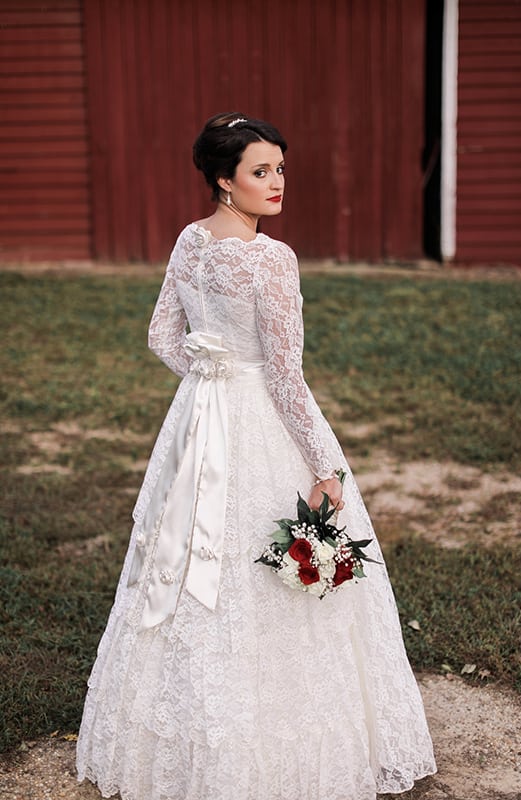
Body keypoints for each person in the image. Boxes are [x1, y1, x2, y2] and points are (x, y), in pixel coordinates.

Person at [76, 112, 436, 800]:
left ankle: (169, 743)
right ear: (223, 179)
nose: (276, 184)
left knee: (186, 568)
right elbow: (284, 376)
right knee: (266, 574)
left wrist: (209, 385)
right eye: (260, 171)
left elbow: (161, 337)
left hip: (199, 420)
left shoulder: (190, 241)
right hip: (257, 422)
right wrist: (325, 468)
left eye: (280, 169)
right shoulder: (272, 259)